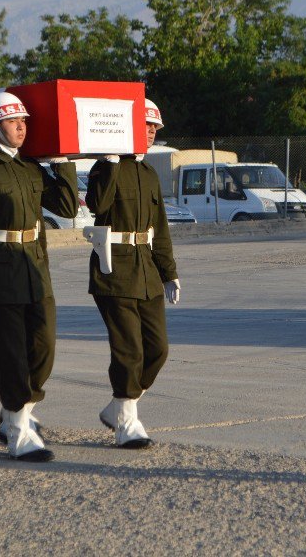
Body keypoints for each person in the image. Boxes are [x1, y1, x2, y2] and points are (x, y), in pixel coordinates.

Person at [0, 92, 79, 462]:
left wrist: (64, 164)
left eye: (23, 121)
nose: (21, 127)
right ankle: (18, 429)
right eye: (13, 122)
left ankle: (16, 411)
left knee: (43, 347)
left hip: (35, 267)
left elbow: (67, 206)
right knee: (12, 353)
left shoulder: (30, 167)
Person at [85, 98, 180, 449]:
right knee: (128, 349)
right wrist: (109, 162)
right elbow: (98, 205)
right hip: (114, 268)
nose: (152, 132)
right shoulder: (104, 167)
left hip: (147, 270)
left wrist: (169, 272)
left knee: (158, 349)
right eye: (145, 126)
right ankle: (127, 421)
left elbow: (161, 228)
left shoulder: (148, 173)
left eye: (155, 128)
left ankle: (118, 406)